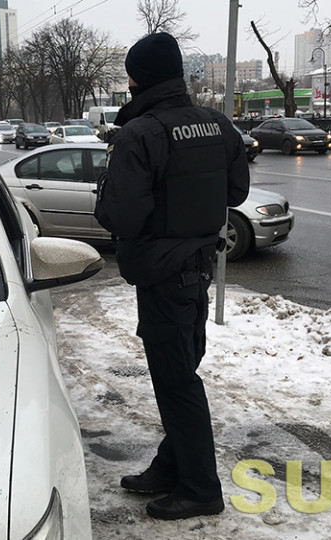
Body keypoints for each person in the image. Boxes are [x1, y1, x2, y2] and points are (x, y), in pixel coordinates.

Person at [93, 32, 250, 521]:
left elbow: (118, 216)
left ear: (138, 77)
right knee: (180, 371)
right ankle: (170, 467)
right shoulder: (217, 125)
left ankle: (201, 488)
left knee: (177, 381)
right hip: (197, 270)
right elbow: (238, 192)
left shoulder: (141, 134)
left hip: (163, 276)